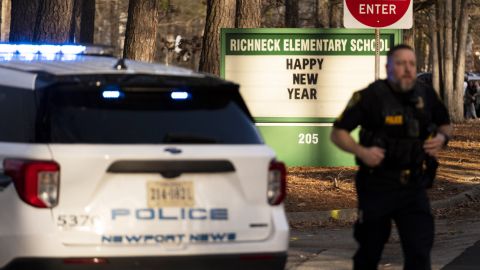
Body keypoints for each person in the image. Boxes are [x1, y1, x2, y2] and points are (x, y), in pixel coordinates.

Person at [330, 44, 452, 270]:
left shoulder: (425, 94)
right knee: (369, 251)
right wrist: (362, 152)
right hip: (378, 184)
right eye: (400, 63)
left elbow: (445, 124)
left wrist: (442, 138)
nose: (407, 69)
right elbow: (337, 133)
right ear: (388, 67)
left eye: (411, 64)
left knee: (419, 252)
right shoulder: (370, 96)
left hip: (414, 185)